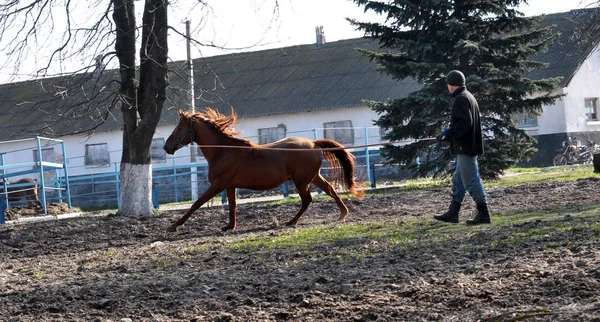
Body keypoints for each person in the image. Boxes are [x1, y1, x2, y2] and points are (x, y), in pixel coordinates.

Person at [434, 70, 491, 225]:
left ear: (451, 85)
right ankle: (453, 212)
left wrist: (449, 133)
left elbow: (465, 123)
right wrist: (449, 133)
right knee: (458, 180)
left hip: (465, 147)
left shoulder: (460, 99)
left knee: (471, 180)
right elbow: (465, 122)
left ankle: (483, 213)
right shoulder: (469, 96)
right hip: (468, 145)